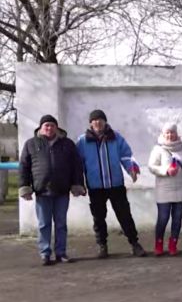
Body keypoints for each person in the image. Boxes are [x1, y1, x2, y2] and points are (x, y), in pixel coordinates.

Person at [77, 109, 147, 258]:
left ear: (105, 121)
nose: (98, 122)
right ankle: (102, 246)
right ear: (90, 123)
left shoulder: (115, 137)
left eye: (101, 120)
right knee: (98, 218)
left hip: (116, 185)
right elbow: (78, 164)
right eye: (95, 120)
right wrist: (79, 183)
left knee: (125, 215)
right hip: (95, 187)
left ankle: (135, 243)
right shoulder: (83, 141)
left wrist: (131, 169)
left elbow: (126, 155)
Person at [19, 115, 86, 266]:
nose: (49, 128)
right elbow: (24, 167)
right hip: (42, 190)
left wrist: (77, 184)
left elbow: (76, 166)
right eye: (46, 125)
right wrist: (25, 187)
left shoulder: (67, 144)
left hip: (62, 190)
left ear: (57, 127)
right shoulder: (31, 144)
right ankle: (45, 253)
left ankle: (61, 253)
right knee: (44, 224)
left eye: (52, 125)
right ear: (41, 128)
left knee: (61, 224)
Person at [148, 122, 182, 256]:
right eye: (167, 133)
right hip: (164, 190)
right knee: (163, 218)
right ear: (163, 134)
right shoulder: (158, 149)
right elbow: (151, 167)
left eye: (172, 132)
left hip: (181, 188)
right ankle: (159, 244)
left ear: (176, 134)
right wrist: (166, 170)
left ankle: (173, 244)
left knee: (177, 219)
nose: (170, 135)